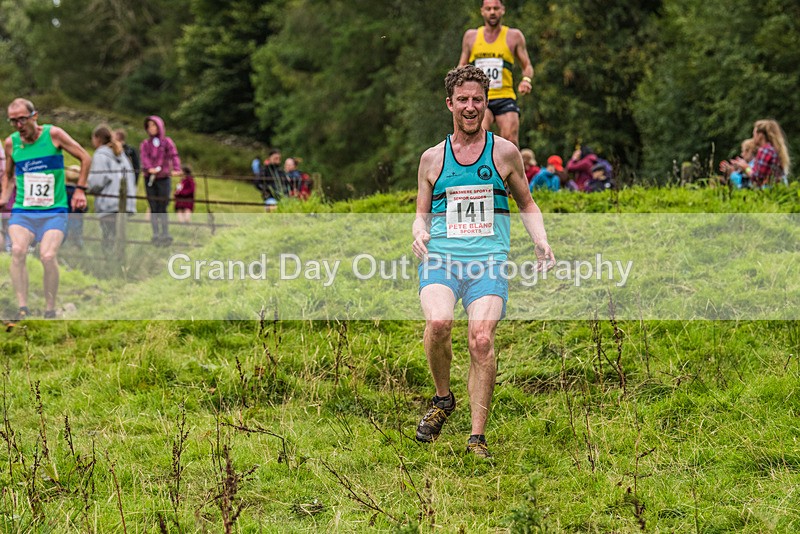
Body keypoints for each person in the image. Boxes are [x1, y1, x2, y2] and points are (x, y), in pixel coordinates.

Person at [412, 65, 555, 459]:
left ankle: (477, 437)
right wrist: (419, 232)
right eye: (463, 100)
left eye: (477, 99)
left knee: (481, 339)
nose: (470, 107)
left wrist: (540, 241)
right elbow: (420, 214)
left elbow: (527, 203)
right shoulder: (431, 159)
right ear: (450, 104)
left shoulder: (504, 153)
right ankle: (443, 400)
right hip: (441, 258)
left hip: (487, 262)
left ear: (486, 103)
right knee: (439, 324)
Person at [0, 98, 91, 320]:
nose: (18, 126)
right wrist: (3, 196)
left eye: (22, 120)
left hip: (54, 211)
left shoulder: (54, 135)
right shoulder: (11, 143)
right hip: (24, 210)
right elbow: (9, 175)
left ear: (34, 116)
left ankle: (50, 309)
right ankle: (23, 307)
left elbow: (85, 157)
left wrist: (79, 190)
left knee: (48, 256)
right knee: (18, 250)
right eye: (13, 121)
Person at [458, 0, 534, 148]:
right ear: (482, 11)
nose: (492, 12)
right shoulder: (471, 37)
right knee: (479, 138)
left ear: (502, 10)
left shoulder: (514, 36)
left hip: (505, 96)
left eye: (496, 8)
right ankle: (481, 170)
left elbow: (527, 65)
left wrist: (526, 80)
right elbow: (461, 67)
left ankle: (512, 171)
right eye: (488, 9)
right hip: (479, 97)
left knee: (510, 140)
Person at [87, 124, 136, 246]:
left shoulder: (100, 154)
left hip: (109, 203)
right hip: (124, 203)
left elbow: (98, 180)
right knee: (118, 238)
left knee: (108, 239)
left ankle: (110, 263)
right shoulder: (121, 155)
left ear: (97, 138)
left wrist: (88, 187)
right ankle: (119, 262)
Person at [140, 115, 182, 246]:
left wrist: (176, 168)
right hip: (150, 178)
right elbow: (144, 157)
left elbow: (173, 155)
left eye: (154, 125)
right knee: (153, 206)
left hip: (163, 178)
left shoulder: (167, 142)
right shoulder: (145, 144)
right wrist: (149, 168)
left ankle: (165, 233)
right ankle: (155, 233)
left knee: (163, 206)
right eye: (149, 126)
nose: (151, 128)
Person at [741, 119, 791, 188]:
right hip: (781, 189)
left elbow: (757, 178)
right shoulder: (774, 148)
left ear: (760, 135)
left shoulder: (764, 150)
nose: (753, 138)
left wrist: (746, 168)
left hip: (771, 191)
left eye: (754, 134)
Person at [64, 164, 86, 248]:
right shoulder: (79, 193)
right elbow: (84, 208)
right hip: (76, 220)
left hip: (64, 219)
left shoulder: (62, 190)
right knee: (77, 237)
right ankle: (79, 249)